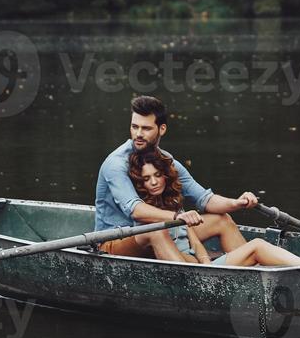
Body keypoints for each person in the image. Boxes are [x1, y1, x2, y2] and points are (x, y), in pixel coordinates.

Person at [95, 95, 259, 261]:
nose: (138, 134)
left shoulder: (165, 161)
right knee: (154, 229)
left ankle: (248, 275)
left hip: (159, 234)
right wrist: (175, 217)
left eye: (146, 128)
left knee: (221, 220)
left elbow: (204, 199)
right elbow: (136, 210)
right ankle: (192, 282)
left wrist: (237, 203)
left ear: (162, 129)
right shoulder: (116, 164)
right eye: (134, 127)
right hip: (115, 243)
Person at [129, 148, 300, 268]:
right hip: (194, 275)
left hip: (205, 268)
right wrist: (201, 267)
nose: (153, 182)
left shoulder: (172, 204)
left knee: (253, 246)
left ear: (165, 176)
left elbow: (195, 243)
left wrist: (206, 262)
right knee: (257, 245)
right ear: (140, 183)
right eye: (146, 179)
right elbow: (170, 260)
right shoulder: (147, 215)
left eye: (157, 175)